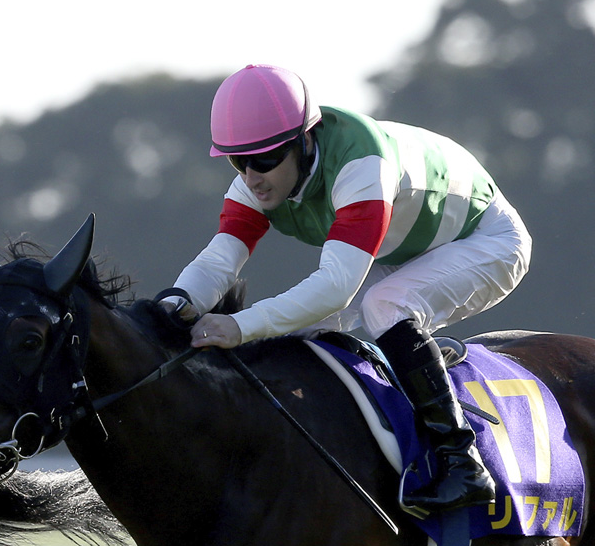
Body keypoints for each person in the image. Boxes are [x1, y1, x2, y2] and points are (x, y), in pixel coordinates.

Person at [165, 64, 531, 518]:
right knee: (303, 328)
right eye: (239, 161)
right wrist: (173, 304)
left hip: (488, 240)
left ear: (304, 140)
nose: (252, 176)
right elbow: (218, 261)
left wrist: (238, 326)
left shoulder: (360, 166)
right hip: (406, 251)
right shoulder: (256, 182)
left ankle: (463, 461)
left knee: (384, 305)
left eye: (264, 160)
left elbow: (336, 287)